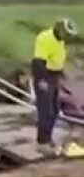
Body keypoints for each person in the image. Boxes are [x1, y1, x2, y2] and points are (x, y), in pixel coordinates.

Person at [33, 18, 77, 154]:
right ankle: (42, 143)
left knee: (55, 109)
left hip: (54, 76)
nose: (68, 37)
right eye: (67, 34)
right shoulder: (45, 38)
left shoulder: (60, 40)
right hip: (44, 75)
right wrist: (41, 81)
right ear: (60, 30)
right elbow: (38, 62)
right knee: (45, 111)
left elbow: (57, 59)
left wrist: (63, 76)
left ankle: (48, 137)